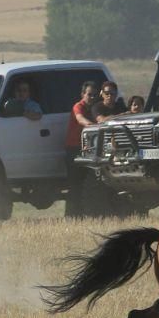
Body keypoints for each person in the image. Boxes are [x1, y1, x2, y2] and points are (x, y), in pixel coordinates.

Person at [64, 81, 98, 217]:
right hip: (74, 150)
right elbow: (80, 119)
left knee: (85, 184)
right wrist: (94, 126)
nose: (92, 97)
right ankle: (71, 216)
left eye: (95, 95)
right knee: (74, 184)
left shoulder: (94, 108)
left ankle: (82, 214)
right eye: (89, 94)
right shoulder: (78, 106)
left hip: (88, 150)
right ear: (82, 94)